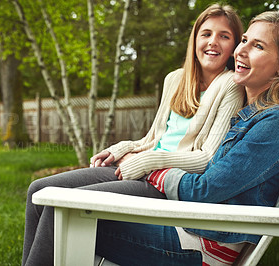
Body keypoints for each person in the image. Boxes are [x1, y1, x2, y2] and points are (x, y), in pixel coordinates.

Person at [22, 4, 244, 265]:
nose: (213, 42)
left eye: (224, 36)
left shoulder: (231, 85)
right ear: (194, 39)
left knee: (64, 204)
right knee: (39, 189)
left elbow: (207, 158)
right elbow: (152, 139)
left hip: (165, 183)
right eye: (206, 34)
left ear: (234, 46)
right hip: (141, 168)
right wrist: (120, 149)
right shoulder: (175, 79)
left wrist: (148, 162)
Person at [96, 10, 279, 265]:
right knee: (57, 207)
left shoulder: (278, 123)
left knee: (67, 215)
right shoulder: (250, 115)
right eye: (245, 40)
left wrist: (146, 165)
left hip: (204, 246)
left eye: (257, 46)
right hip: (187, 224)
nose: (241, 51)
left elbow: (203, 190)